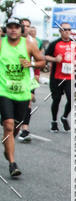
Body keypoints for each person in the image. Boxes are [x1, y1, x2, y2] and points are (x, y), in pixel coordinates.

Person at [0, 17, 45, 176]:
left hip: (22, 92)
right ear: (6, 29)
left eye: (16, 27)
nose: (13, 30)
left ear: (21, 29)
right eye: (10, 27)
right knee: (8, 124)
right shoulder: (1, 43)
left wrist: (31, 64)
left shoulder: (29, 45)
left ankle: (8, 147)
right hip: (4, 91)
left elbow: (42, 62)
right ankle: (12, 163)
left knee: (16, 128)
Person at [45, 21, 75, 131]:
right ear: (60, 31)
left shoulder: (74, 43)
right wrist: (54, 59)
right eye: (64, 29)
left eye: (69, 29)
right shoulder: (55, 43)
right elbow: (46, 56)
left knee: (72, 99)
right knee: (56, 100)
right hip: (56, 77)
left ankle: (64, 117)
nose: (67, 31)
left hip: (69, 78)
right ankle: (54, 121)